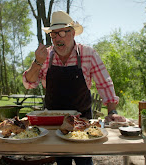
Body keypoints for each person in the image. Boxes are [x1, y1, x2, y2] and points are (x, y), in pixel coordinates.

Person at [22, 10, 126, 165]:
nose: (57, 38)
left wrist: (112, 111)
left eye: (62, 33)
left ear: (72, 33)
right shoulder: (44, 56)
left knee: (84, 162)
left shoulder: (88, 54)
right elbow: (29, 83)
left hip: (82, 123)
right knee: (62, 162)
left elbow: (104, 83)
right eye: (53, 34)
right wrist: (37, 62)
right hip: (53, 125)